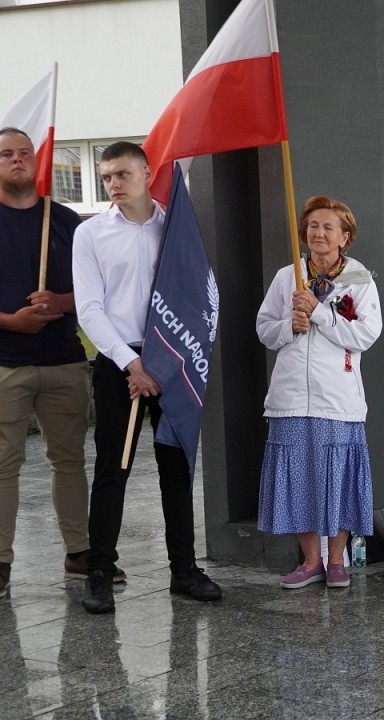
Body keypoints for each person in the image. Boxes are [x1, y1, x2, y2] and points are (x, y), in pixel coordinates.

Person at [72, 141, 221, 613]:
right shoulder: (91, 234)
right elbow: (89, 308)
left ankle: (184, 569)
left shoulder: (174, 230)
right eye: (106, 177)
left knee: (176, 471)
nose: (114, 185)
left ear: (146, 173)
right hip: (120, 364)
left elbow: (194, 295)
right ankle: (99, 571)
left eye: (122, 175)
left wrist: (161, 362)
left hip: (171, 361)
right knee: (112, 471)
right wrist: (130, 363)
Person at [256, 196, 383, 590]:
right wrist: (288, 327)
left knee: (338, 478)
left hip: (337, 399)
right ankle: (311, 561)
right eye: (312, 227)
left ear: (345, 237)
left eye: (328, 227)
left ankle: (336, 559)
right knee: (299, 478)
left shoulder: (359, 280)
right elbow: (264, 328)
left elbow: (366, 334)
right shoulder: (286, 276)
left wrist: (318, 312)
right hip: (291, 397)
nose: (319, 234)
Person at [0, 127, 101, 599]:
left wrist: (61, 302)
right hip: (5, 363)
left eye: (25, 153)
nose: (17, 160)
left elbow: (99, 293)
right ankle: (0, 562)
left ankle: (80, 553)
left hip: (63, 360)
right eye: (6, 154)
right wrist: (9, 321)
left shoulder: (66, 221)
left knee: (70, 461)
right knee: (3, 464)